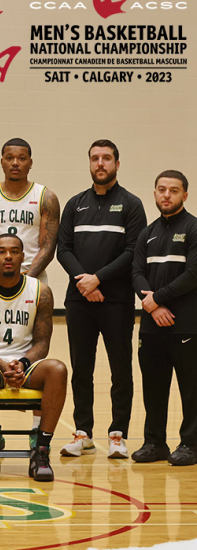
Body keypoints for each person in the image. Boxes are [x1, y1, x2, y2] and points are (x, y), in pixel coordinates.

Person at [0, 138, 60, 452]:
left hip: (32, 279)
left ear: (30, 162)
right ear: (2, 161)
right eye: (10, 157)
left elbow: (48, 245)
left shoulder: (45, 196)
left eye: (22, 158)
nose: (16, 163)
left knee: (32, 346)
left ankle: (37, 429)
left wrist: (26, 279)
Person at [57, 139, 146, 459]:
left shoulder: (132, 204)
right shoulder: (75, 203)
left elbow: (134, 251)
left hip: (117, 300)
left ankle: (118, 434)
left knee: (120, 368)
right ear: (89, 163)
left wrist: (99, 279)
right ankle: (83, 433)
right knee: (82, 369)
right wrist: (85, 282)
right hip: (79, 301)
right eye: (95, 158)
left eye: (107, 158)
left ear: (117, 164)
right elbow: (63, 249)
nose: (100, 163)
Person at [0, 233, 68, 482]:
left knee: (58, 370)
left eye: (14, 251)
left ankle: (41, 450)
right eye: (1, 251)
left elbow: (42, 343)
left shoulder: (40, 291)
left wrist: (23, 364)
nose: (8, 256)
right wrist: (2, 364)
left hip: (26, 364)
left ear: (23, 256)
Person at [132, 170, 197, 465]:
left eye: (173, 190)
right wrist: (152, 306)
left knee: (191, 390)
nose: (166, 195)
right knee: (154, 388)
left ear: (185, 194)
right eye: (161, 190)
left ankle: (191, 444)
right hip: (151, 327)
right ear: (155, 193)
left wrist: (158, 298)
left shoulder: (193, 228)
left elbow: (193, 274)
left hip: (186, 326)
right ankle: (155, 443)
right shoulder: (147, 233)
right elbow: (137, 273)